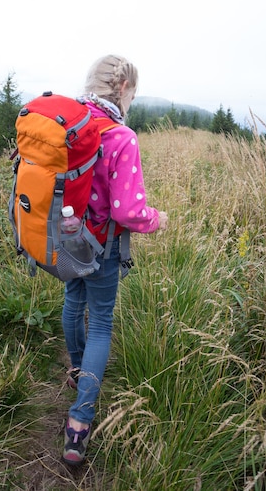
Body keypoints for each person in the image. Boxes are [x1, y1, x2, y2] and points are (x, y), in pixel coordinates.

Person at [62, 54, 168, 465]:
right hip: (102, 245)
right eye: (133, 94)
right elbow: (128, 213)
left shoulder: (67, 126)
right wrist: (156, 219)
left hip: (64, 238)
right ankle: (79, 423)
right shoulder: (121, 137)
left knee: (73, 300)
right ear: (123, 88)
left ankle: (76, 370)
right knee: (101, 320)